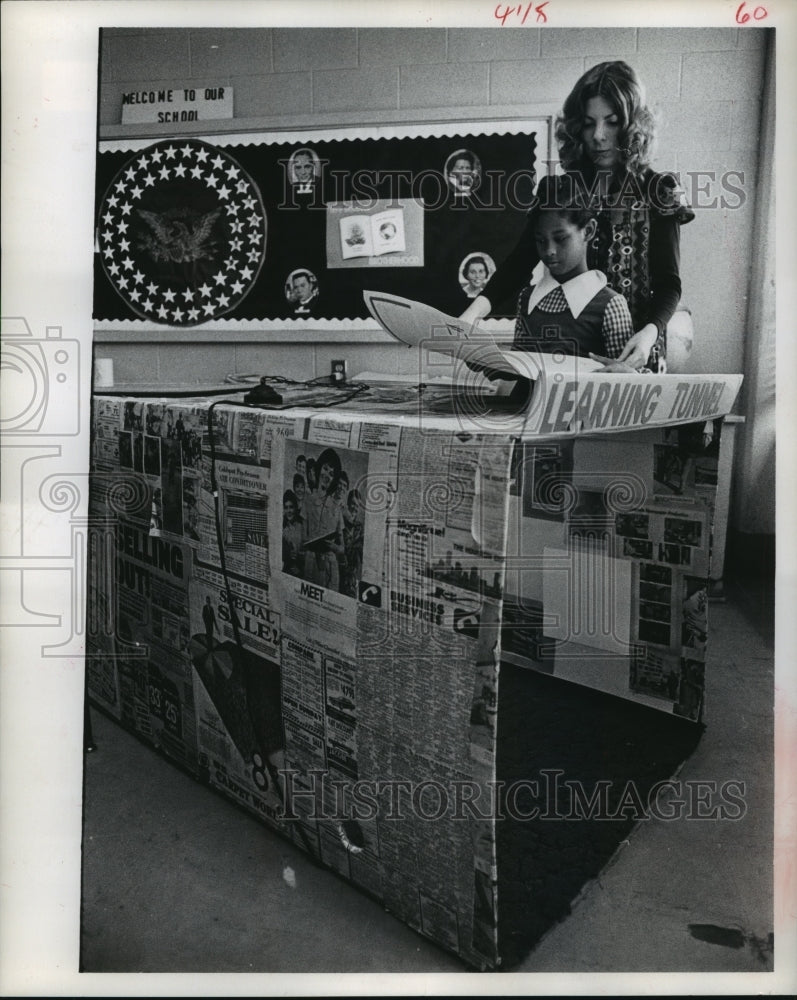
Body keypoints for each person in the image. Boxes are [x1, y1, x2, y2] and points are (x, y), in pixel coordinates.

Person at [460, 61, 694, 372]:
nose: (599, 136)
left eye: (611, 122)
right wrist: (473, 312)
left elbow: (669, 283)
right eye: (588, 123)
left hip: (631, 354)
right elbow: (521, 261)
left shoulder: (660, 190)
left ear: (632, 127)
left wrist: (649, 334)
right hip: (570, 349)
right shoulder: (558, 189)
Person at [302, 448, 345, 591]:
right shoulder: (307, 501)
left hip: (330, 567)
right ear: (319, 468)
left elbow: (342, 548)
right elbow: (302, 538)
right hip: (310, 562)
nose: (327, 475)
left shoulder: (336, 508)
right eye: (325, 469)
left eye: (332, 473)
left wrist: (332, 547)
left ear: (334, 479)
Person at [282, 489, 304, 577]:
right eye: (286, 507)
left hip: (302, 569)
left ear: (295, 507)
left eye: (291, 507)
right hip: (287, 570)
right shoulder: (282, 527)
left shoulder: (301, 526)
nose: (289, 511)